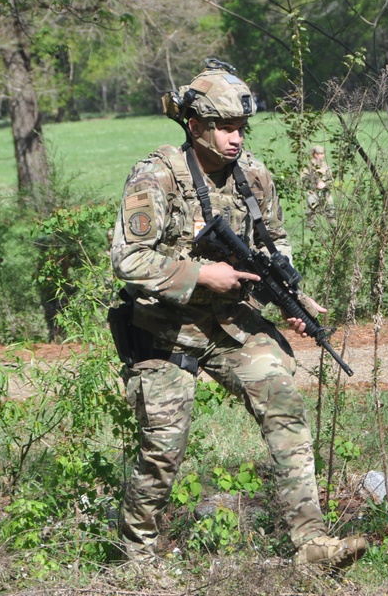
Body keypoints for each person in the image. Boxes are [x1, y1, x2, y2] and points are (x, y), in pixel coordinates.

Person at [109, 60, 367, 567]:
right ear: (194, 124)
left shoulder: (253, 175)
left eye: (240, 128)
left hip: (231, 323)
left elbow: (274, 242)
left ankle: (312, 543)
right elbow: (128, 259)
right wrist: (201, 275)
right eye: (225, 127)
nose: (235, 138)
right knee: (164, 447)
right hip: (164, 331)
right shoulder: (156, 175)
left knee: (284, 404)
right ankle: (135, 560)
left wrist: (291, 294)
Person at [300, 144, 335, 224]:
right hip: (313, 193)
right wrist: (315, 185)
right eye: (321, 154)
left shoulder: (325, 166)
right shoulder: (308, 167)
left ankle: (334, 229)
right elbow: (304, 180)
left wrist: (325, 185)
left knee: (331, 212)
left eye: (323, 154)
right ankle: (311, 231)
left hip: (326, 192)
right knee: (311, 215)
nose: (323, 156)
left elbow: (331, 179)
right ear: (315, 155)